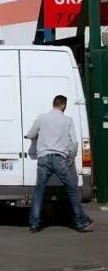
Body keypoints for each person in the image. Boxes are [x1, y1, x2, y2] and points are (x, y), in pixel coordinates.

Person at [25, 95, 94, 233]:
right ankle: (81, 221)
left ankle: (34, 224)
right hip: (59, 159)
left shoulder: (42, 118)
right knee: (72, 189)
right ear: (63, 105)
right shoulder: (67, 120)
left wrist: (37, 137)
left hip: (43, 159)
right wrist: (70, 157)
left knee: (39, 191)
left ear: (54, 104)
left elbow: (31, 134)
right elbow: (74, 142)